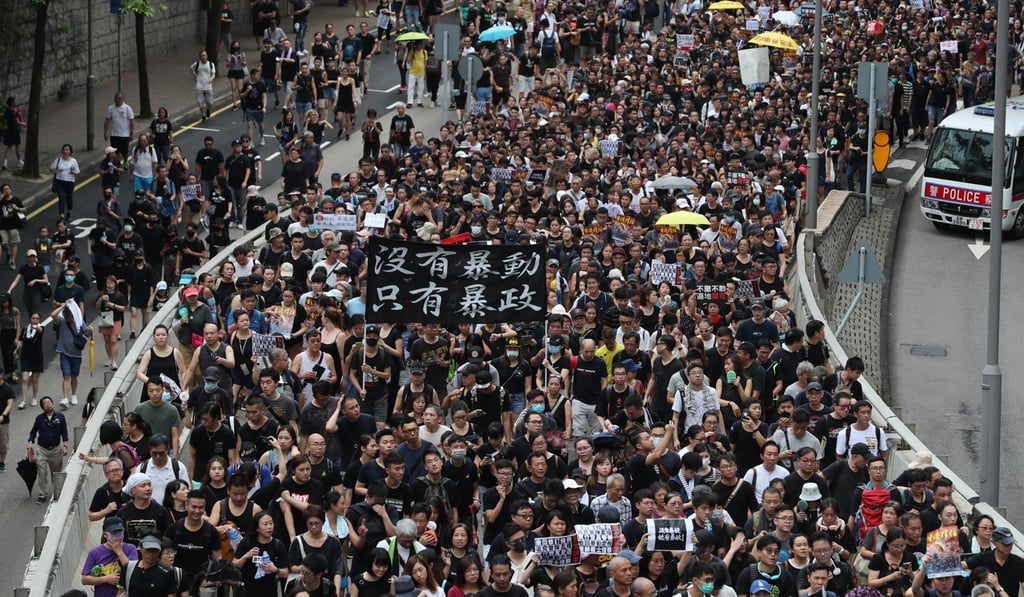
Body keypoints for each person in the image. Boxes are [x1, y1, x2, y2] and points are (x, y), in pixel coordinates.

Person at [81, 516, 140, 597]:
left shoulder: (130, 548)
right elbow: (84, 579)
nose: (118, 536)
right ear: (105, 535)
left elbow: (134, 572)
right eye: (114, 533)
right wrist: (105, 579)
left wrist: (119, 552)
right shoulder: (95, 552)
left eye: (120, 532)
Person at [27, 395, 69, 504]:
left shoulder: (60, 417)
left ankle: (58, 492)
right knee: (42, 472)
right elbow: (33, 432)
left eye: (49, 402)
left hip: (55, 449)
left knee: (56, 472)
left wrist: (65, 445)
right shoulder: (39, 419)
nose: (48, 404)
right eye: (45, 403)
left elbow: (64, 432)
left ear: (53, 403)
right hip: (42, 450)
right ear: (42, 407)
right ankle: (42, 494)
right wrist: (30, 443)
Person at [18, 311, 45, 409]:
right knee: (25, 378)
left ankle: (34, 397)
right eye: (33, 318)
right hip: (26, 356)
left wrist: (37, 327)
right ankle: (24, 400)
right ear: (30, 319)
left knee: (34, 379)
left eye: (37, 319)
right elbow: (21, 341)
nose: (35, 320)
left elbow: (40, 330)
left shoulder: (40, 329)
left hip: (37, 357)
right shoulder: (25, 329)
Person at [50, 143, 80, 219]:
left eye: (67, 150)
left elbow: (77, 171)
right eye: (64, 149)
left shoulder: (73, 161)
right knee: (61, 197)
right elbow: (51, 168)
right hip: (59, 181)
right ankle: (61, 214)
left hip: (70, 182)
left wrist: (73, 172)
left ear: (70, 151)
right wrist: (57, 170)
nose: (65, 151)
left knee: (69, 198)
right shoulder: (58, 159)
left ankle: (69, 211)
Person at [103, 92, 135, 163]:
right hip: (114, 134)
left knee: (124, 152)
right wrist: (105, 132)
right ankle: (117, 164)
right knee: (115, 151)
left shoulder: (127, 108)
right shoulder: (110, 108)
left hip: (124, 135)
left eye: (119, 98)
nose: (117, 100)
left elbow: (132, 121)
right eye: (115, 98)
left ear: (123, 99)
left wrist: (132, 133)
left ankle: (125, 161)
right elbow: (107, 121)